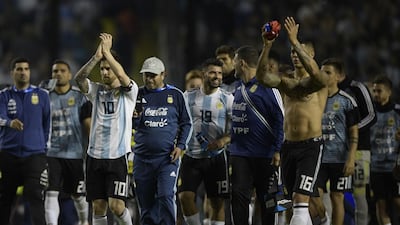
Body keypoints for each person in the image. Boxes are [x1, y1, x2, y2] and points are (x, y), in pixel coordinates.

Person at [256, 17, 329, 225]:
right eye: (292, 52)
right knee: (290, 201)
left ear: (311, 54)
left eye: (299, 52)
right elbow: (261, 77)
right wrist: (267, 45)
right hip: (288, 147)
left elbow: (315, 73)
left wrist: (295, 42)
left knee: (299, 201)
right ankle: (324, 220)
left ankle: (323, 220)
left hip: (311, 147)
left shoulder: (320, 82)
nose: (295, 55)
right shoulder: (286, 82)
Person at [74, 33, 138, 225]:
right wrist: (97, 57)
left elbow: (123, 77)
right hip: (94, 156)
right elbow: (79, 79)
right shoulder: (96, 91)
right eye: (102, 69)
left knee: (117, 207)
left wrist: (108, 53)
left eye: (108, 68)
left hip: (117, 157)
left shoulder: (130, 91)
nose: (104, 73)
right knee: (99, 207)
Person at [132, 56, 192, 225]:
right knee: (146, 203)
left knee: (166, 195)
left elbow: (187, 123)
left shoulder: (176, 95)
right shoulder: (137, 94)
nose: (149, 79)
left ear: (163, 74)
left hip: (167, 158)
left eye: (153, 75)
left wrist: (180, 146)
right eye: (146, 75)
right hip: (142, 159)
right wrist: (134, 118)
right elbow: (131, 124)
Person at [229, 44, 284, 225]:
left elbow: (280, 119)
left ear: (242, 63)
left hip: (265, 155)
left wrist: (277, 150)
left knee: (268, 202)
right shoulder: (237, 88)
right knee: (238, 199)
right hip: (240, 155)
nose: (233, 65)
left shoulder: (269, 88)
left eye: (235, 61)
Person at [179, 58, 233, 225]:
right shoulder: (187, 97)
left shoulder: (227, 98)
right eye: (212, 72)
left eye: (219, 73)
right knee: (185, 198)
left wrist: (223, 140)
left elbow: (237, 128)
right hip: (191, 156)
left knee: (216, 203)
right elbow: (179, 122)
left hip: (216, 158)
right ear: (204, 74)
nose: (217, 76)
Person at [0, 57, 51, 225]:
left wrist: (44, 152)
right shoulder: (4, 95)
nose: (23, 72)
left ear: (30, 72)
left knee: (35, 196)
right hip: (8, 155)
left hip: (34, 155)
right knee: (5, 198)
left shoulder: (42, 96)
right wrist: (9, 122)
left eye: (26, 69)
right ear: (12, 72)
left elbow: (47, 124)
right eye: (19, 69)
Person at [310, 58, 360, 225]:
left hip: (339, 158)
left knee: (337, 196)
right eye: (322, 71)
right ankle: (324, 220)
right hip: (318, 157)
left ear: (339, 77)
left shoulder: (347, 100)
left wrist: (351, 158)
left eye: (328, 72)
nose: (323, 75)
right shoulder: (315, 98)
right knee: (314, 196)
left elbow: (354, 131)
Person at [44, 59, 92, 225]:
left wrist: (92, 149)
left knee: (78, 194)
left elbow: (89, 126)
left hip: (75, 153)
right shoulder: (45, 97)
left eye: (62, 71)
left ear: (70, 75)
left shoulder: (80, 97)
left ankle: (84, 221)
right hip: (52, 153)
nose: (58, 74)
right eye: (55, 71)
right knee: (51, 192)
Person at [337, 52, 376, 225]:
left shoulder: (357, 87)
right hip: (337, 151)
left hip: (360, 150)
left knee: (360, 193)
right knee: (336, 193)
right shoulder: (330, 91)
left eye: (328, 72)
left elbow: (371, 116)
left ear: (339, 74)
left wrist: (351, 131)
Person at [369, 75, 400, 225]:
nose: (376, 94)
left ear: (389, 92)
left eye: (379, 91)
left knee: (397, 200)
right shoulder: (370, 113)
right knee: (380, 204)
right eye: (374, 91)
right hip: (375, 166)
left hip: (395, 166)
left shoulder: (398, 112)